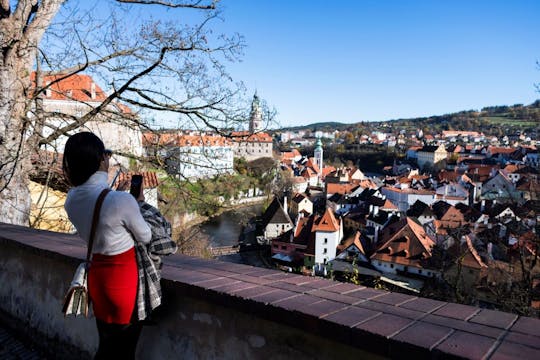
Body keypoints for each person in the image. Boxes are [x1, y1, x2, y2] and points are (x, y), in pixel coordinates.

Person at [63, 132, 151, 360]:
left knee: (106, 348)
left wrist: (118, 197)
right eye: (107, 154)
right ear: (101, 159)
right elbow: (146, 236)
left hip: (98, 281)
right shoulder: (121, 201)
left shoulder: (71, 200)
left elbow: (99, 216)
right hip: (123, 284)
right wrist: (137, 202)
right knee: (125, 352)